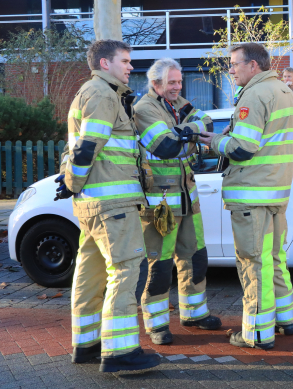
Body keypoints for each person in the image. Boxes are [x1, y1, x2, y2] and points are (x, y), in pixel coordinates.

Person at [56, 40, 160, 372]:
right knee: (127, 269)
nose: (131, 67)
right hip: (113, 204)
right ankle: (120, 352)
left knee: (91, 273)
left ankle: (86, 344)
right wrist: (72, 182)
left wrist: (72, 185)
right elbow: (87, 148)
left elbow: (75, 148)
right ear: (105, 63)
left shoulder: (90, 93)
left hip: (93, 204)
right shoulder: (102, 94)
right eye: (125, 61)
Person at [199, 43, 293, 350]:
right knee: (274, 259)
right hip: (275, 193)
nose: (231, 70)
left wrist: (214, 141)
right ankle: (286, 319)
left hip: (251, 195)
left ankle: (256, 333)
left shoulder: (255, 95)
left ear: (253, 65)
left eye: (234, 64)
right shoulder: (283, 90)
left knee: (253, 263)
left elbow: (243, 148)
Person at [133, 58, 222, 345]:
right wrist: (191, 135)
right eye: (172, 82)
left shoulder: (177, 104)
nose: (178, 87)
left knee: (196, 258)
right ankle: (157, 324)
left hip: (188, 198)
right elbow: (167, 146)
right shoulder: (145, 109)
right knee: (159, 267)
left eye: (179, 81)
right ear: (155, 83)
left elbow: (208, 122)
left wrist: (183, 132)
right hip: (160, 204)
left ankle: (194, 314)